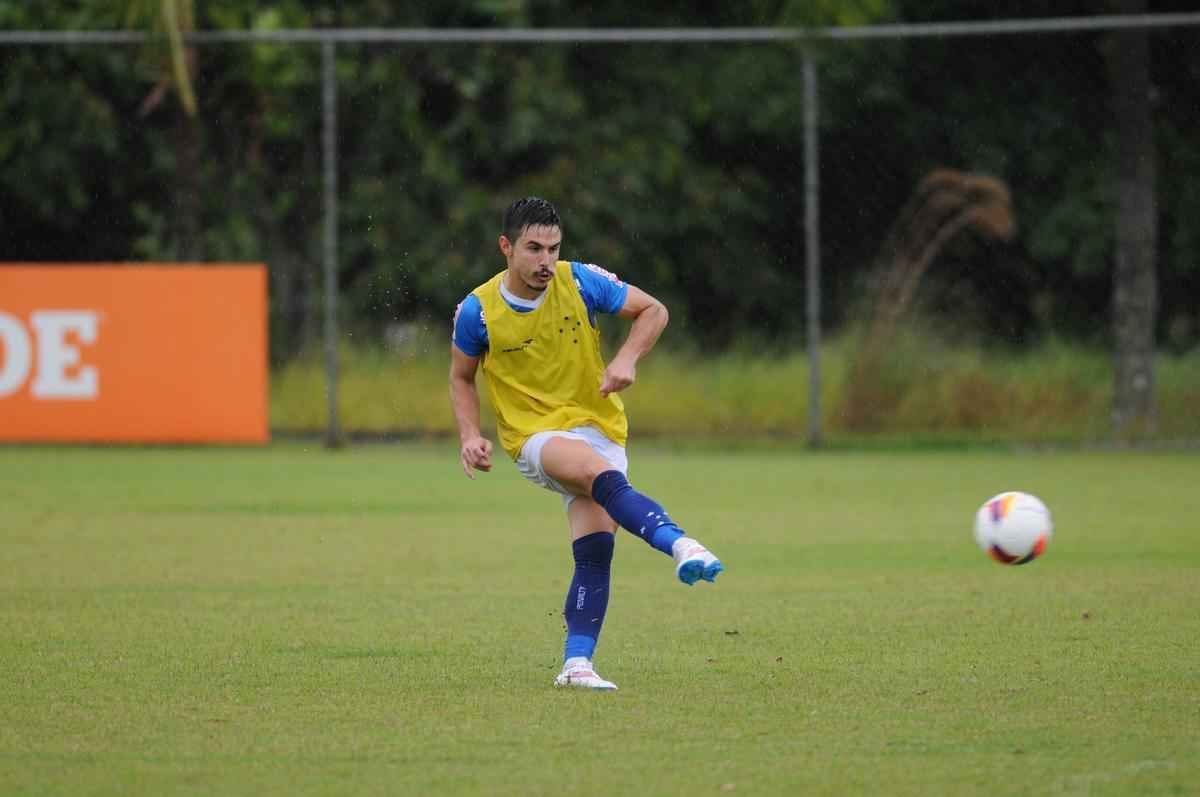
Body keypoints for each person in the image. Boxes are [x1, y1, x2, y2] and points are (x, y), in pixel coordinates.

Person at [449, 196, 724, 692]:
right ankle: (680, 543)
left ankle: (577, 665)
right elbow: (461, 377)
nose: (545, 261)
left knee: (596, 549)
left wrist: (626, 360)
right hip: (534, 436)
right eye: (533, 248)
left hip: (600, 426)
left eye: (553, 248)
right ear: (506, 247)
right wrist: (471, 434)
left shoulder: (580, 280)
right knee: (600, 478)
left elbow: (653, 311)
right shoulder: (479, 310)